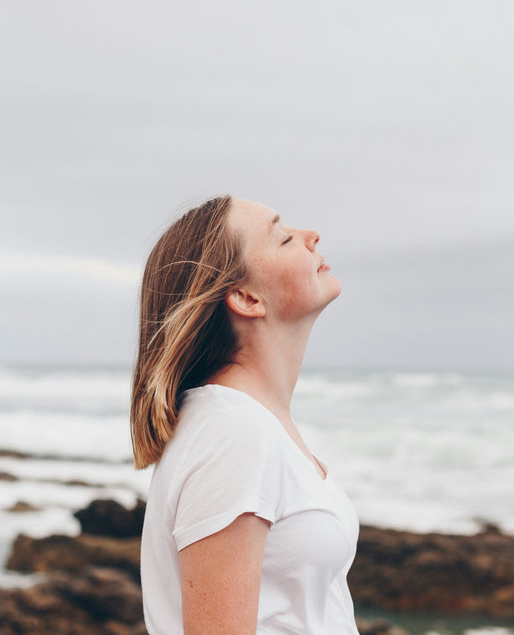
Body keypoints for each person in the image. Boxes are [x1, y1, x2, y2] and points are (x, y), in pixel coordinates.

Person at [131, 195, 359, 635]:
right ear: (246, 297)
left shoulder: (250, 423)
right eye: (285, 237)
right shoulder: (232, 432)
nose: (311, 236)